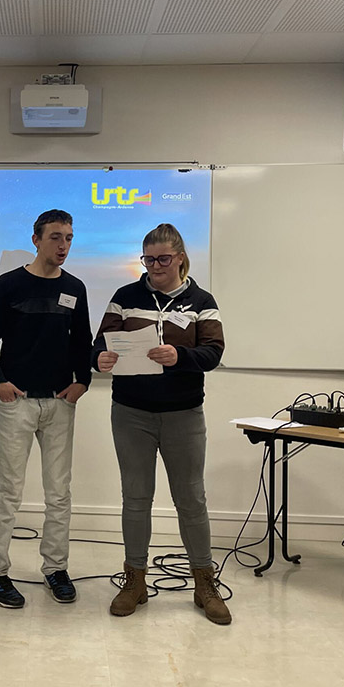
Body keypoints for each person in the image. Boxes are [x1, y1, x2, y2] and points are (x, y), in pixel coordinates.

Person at [92, 223, 230, 625]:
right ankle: (134, 581)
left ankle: (204, 583)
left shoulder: (201, 301)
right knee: (136, 498)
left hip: (184, 414)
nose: (154, 266)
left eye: (163, 259)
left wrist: (179, 357)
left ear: (180, 258)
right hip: (131, 413)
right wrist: (99, 359)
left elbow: (214, 352)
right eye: (148, 259)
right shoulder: (124, 297)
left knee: (191, 499)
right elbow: (99, 344)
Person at [0, 209, 92, 608]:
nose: (63, 246)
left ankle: (55, 568)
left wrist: (82, 381)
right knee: (8, 491)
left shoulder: (75, 288)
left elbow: (82, 343)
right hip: (18, 403)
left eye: (69, 238)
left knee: (59, 493)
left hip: (60, 403)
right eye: (56, 237)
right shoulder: (9, 284)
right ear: (36, 240)